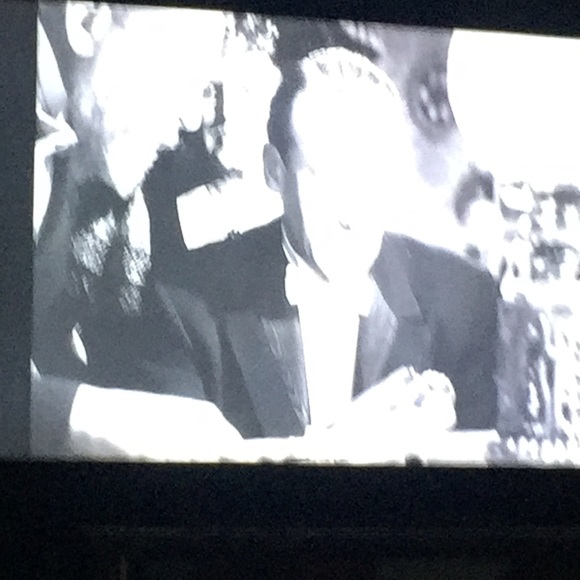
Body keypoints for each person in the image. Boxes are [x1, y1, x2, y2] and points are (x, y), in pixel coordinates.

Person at [140, 47, 499, 440]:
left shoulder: (465, 301)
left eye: (373, 178)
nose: (351, 214)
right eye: (324, 178)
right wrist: (341, 444)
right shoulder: (187, 301)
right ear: (274, 171)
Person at [32, 2, 243, 459]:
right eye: (182, 71)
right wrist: (83, 417)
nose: (192, 120)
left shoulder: (99, 170)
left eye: (205, 88)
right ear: (86, 20)